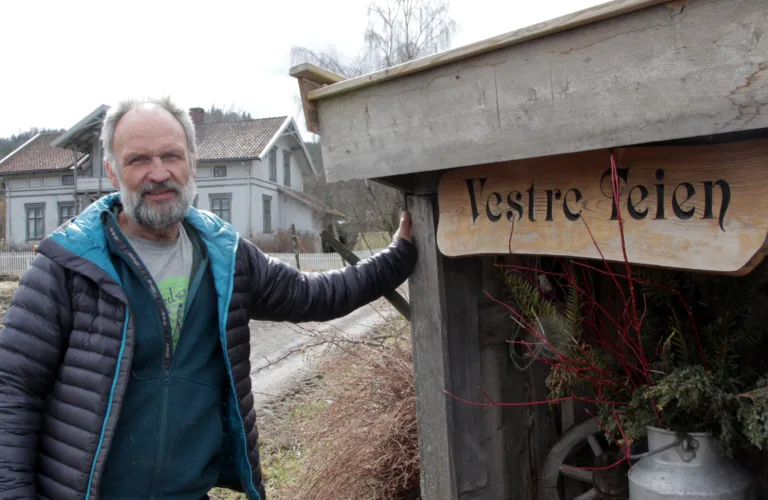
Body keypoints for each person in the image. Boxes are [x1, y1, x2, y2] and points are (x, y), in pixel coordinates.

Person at [0, 98, 417, 499]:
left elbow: (315, 296)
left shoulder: (226, 256)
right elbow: (13, 394)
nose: (158, 173)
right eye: (138, 160)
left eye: (171, 156)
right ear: (112, 172)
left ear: (192, 164)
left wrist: (398, 256)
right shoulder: (67, 265)